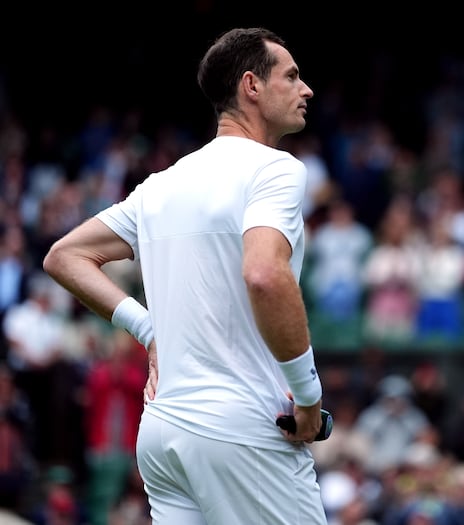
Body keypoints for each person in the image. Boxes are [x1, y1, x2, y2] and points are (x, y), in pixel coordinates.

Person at [42, 27, 327, 525]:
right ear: (251, 87)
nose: (306, 90)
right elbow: (263, 273)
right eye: (292, 76)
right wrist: (308, 397)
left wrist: (146, 330)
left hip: (161, 435)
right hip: (243, 432)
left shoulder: (158, 185)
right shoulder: (276, 169)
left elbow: (65, 256)